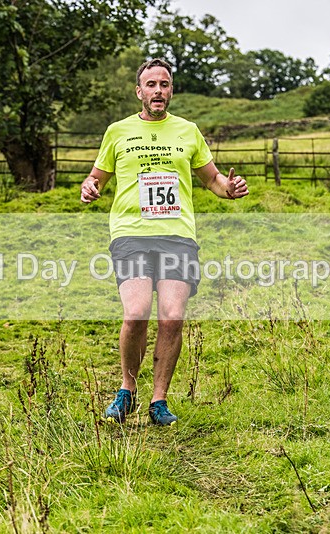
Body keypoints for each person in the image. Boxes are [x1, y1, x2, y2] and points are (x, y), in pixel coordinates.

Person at [80, 58, 249, 426]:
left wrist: (230, 189)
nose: (159, 90)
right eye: (152, 84)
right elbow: (96, 178)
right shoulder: (118, 132)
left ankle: (159, 400)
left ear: (171, 90)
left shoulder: (188, 131)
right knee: (136, 312)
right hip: (131, 233)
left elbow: (212, 180)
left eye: (165, 84)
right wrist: (89, 188)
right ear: (139, 92)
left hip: (177, 236)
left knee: (172, 318)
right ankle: (127, 390)